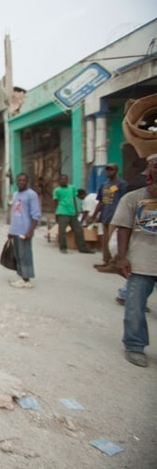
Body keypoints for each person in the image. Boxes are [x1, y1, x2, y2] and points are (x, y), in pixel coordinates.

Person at [110, 154, 157, 367]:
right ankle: (135, 345)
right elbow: (123, 227)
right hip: (141, 261)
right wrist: (121, 258)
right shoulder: (133, 197)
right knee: (135, 306)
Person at [87, 163, 128, 273]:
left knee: (113, 241)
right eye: (107, 170)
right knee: (105, 240)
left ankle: (114, 263)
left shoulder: (122, 184)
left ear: (116, 170)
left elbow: (125, 200)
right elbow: (100, 202)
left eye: (111, 169)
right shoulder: (103, 185)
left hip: (116, 216)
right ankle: (107, 260)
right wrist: (93, 215)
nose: (109, 172)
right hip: (105, 215)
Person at [7, 173, 41, 288]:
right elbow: (14, 213)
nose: (21, 182)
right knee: (17, 255)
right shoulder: (16, 194)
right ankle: (20, 275)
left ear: (27, 181)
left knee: (25, 254)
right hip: (16, 229)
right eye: (19, 180)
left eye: (23, 180)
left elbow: (36, 215)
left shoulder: (32, 195)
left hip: (25, 230)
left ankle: (26, 279)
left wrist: (30, 231)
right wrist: (11, 231)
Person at [52, 174, 95, 254]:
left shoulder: (72, 188)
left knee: (79, 229)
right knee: (62, 231)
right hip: (62, 212)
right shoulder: (56, 190)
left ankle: (82, 248)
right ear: (59, 181)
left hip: (72, 212)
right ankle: (63, 247)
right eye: (61, 179)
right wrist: (56, 214)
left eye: (65, 179)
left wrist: (76, 210)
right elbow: (55, 202)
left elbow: (74, 199)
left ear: (67, 180)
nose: (63, 180)